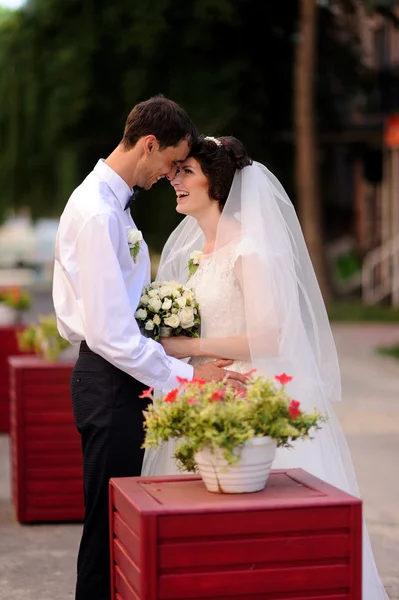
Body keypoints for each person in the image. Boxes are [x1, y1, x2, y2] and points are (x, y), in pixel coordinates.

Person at [141, 134, 389, 599]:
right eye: (177, 172)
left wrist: (189, 345)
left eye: (186, 172)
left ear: (216, 183)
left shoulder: (248, 250)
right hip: (204, 396)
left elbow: (271, 335)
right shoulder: (198, 253)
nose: (175, 179)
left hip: (247, 396)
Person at [52, 98, 246, 600]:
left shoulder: (113, 204)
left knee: (122, 528)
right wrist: (187, 379)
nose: (169, 174)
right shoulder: (97, 212)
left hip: (121, 378)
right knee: (108, 529)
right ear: (148, 145)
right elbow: (112, 335)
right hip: (109, 382)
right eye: (171, 162)